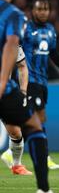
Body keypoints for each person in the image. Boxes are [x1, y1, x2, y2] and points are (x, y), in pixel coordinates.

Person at [0, 0, 59, 193]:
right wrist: (3, 82)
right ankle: (44, 190)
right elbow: (11, 47)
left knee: (20, 131)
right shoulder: (14, 15)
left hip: (15, 86)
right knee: (35, 127)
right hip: (4, 89)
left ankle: (15, 162)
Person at [21, 0, 59, 169]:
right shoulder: (25, 29)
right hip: (29, 80)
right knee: (38, 118)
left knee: (37, 118)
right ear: (33, 11)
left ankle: (12, 151)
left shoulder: (51, 30)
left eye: (46, 9)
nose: (43, 12)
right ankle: (43, 157)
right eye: (39, 9)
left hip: (42, 81)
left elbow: (53, 54)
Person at [1, 45, 33, 175]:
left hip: (5, 94)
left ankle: (17, 165)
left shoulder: (11, 42)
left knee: (15, 132)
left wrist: (23, 91)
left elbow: (22, 66)